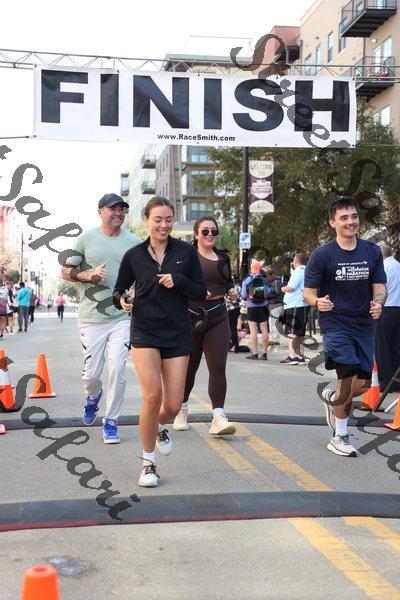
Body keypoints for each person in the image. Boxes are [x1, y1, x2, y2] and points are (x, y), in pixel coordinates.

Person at [113, 197, 206, 487]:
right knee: (152, 395)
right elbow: (119, 289)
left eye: (168, 219)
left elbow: (200, 291)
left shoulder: (186, 252)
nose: (163, 225)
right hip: (145, 332)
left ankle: (158, 427)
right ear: (146, 221)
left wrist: (179, 280)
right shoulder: (134, 255)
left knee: (173, 404)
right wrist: (122, 300)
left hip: (178, 333)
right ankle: (148, 464)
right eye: (158, 219)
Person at [304, 198, 387, 458]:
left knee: (362, 385)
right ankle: (340, 436)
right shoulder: (322, 255)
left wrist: (379, 303)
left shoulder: (372, 252)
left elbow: (379, 286)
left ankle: (333, 399)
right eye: (344, 218)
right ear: (333, 223)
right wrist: (317, 302)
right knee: (347, 377)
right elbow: (308, 292)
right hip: (336, 323)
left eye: (354, 216)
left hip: (364, 324)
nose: (351, 222)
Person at [61, 193, 142, 444]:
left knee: (118, 368)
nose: (118, 213)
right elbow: (65, 270)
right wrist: (89, 275)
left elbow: (144, 276)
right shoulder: (86, 239)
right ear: (100, 212)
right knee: (91, 375)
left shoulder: (135, 242)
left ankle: (111, 421)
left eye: (122, 209)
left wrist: (135, 295)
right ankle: (93, 396)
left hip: (121, 317)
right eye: (112, 209)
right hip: (91, 318)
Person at [173, 217, 239, 435]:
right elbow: (178, 283)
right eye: (205, 231)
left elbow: (227, 281)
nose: (210, 234)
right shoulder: (186, 256)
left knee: (218, 365)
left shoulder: (223, 257)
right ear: (196, 234)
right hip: (191, 316)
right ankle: (182, 410)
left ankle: (218, 417)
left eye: (213, 231)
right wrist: (196, 290)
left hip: (218, 316)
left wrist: (231, 290)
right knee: (189, 368)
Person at [375, 242, 400, 393]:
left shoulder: (383, 267)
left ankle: (385, 383)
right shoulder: (398, 265)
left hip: (385, 308)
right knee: (396, 346)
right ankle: (397, 381)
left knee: (382, 347)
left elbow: (379, 290)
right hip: (398, 307)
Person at [279, 253, 309, 366]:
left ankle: (292, 356)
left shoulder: (298, 271)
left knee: (292, 331)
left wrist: (283, 288)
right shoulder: (307, 270)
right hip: (303, 304)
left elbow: (291, 288)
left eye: (293, 260)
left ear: (296, 260)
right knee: (300, 332)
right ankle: (300, 356)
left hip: (294, 304)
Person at [241, 260, 271, 360]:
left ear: (251, 268)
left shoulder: (247, 279)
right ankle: (265, 353)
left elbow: (243, 296)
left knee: (253, 330)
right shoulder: (264, 279)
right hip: (263, 307)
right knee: (264, 330)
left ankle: (255, 354)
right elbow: (269, 293)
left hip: (252, 307)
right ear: (259, 268)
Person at [265, 269, 284, 347]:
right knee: (272, 322)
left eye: (268, 277)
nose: (267, 279)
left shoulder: (276, 282)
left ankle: (275, 339)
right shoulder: (275, 282)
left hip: (276, 304)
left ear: (272, 275)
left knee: (274, 322)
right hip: (275, 304)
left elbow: (276, 292)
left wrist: (266, 295)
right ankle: (273, 338)